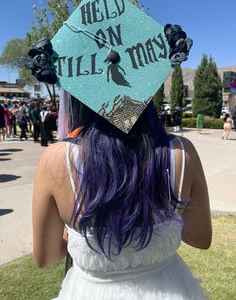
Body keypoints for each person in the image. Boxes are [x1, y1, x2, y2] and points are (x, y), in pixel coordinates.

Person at [33, 97, 212, 299]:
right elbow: (200, 238)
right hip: (169, 288)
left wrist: (73, 234)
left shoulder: (56, 159)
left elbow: (46, 257)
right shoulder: (181, 151)